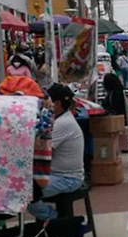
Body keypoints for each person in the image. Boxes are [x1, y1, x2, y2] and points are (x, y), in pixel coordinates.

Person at [28, 84, 86, 221]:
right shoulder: (59, 119)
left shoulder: (63, 123)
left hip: (67, 178)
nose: (42, 103)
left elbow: (43, 150)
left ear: (57, 103)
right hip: (57, 174)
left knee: (25, 192)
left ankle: (54, 220)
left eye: (46, 100)